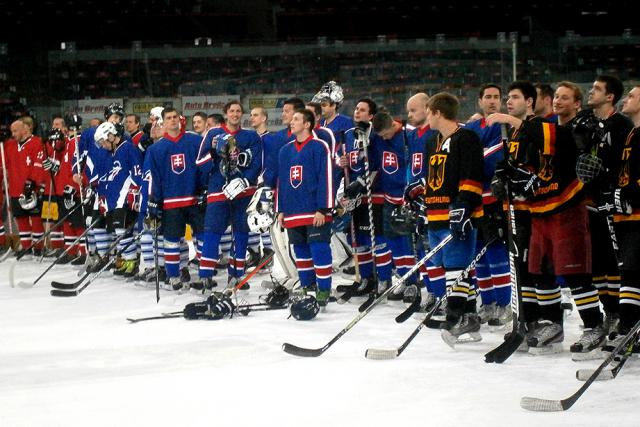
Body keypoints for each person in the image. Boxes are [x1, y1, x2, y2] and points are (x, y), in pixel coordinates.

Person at [488, 80, 604, 356]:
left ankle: (594, 326)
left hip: (564, 205)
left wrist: (510, 121)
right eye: (509, 98)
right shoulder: (518, 135)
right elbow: (521, 169)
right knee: (540, 271)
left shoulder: (547, 124)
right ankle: (551, 324)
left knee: (573, 271)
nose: (508, 102)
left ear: (529, 102)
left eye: (514, 97)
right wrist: (503, 180)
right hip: (537, 211)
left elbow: (549, 143)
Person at [418, 92, 484, 344]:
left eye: (428, 111)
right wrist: (419, 195)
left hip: (457, 213)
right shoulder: (431, 141)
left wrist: (463, 207)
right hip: (434, 214)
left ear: (437, 112)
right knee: (449, 267)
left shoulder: (466, 138)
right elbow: (431, 179)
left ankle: (455, 316)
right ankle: (470, 319)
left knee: (457, 267)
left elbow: (472, 175)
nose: (426, 116)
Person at [583, 75, 634, 334]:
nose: (591, 93)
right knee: (598, 264)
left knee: (615, 262)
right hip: (591, 203)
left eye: (597, 89)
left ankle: (618, 314)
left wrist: (613, 187)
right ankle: (609, 311)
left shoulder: (621, 124)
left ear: (610, 96)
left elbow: (623, 164)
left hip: (614, 204)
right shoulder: (589, 122)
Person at [196, 100, 262, 290]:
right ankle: (205, 275)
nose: (235, 114)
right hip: (218, 192)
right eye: (231, 111)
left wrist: (245, 181)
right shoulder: (213, 133)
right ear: (226, 114)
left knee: (241, 234)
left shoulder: (251, 136)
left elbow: (256, 163)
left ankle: (236, 275)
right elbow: (200, 161)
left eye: (238, 111)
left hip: (243, 192)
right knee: (211, 233)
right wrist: (213, 150)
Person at [144, 108, 207, 290]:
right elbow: (154, 177)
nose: (172, 121)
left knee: (203, 238)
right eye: (168, 118)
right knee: (171, 240)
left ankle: (205, 275)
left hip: (194, 200)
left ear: (180, 120)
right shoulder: (156, 149)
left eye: (175, 118)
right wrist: (154, 200)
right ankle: (173, 276)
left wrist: (206, 189)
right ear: (163, 122)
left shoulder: (195, 141)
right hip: (171, 203)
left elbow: (205, 166)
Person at [465, 84, 512, 326]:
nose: (493, 101)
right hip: (475, 199)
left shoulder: (505, 124)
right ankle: (489, 303)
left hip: (496, 200)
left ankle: (505, 305)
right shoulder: (472, 127)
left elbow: (495, 158)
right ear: (480, 101)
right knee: (479, 253)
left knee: (496, 251)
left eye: (496, 97)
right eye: (488, 97)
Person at [276, 109, 334, 306]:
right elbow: (281, 182)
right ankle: (308, 286)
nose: (291, 122)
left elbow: (326, 177)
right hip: (292, 211)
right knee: (301, 253)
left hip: (314, 210)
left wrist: (323, 209)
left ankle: (324, 289)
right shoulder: (285, 150)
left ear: (307, 124)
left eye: (296, 119)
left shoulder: (320, 146)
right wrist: (280, 210)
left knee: (319, 250)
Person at [603, 85, 640, 348]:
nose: (626, 99)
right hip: (628, 216)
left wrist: (630, 191)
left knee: (632, 272)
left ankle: (629, 325)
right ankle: (629, 326)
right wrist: (617, 192)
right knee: (629, 272)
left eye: (632, 95)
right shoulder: (631, 134)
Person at [94, 121, 142, 278]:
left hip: (125, 197)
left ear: (110, 135)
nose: (102, 145)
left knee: (123, 230)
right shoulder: (111, 153)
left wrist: (135, 191)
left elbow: (137, 171)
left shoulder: (128, 148)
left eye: (102, 141)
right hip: (114, 198)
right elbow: (106, 177)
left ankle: (132, 261)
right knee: (118, 230)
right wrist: (103, 197)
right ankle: (126, 260)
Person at [4, 116, 47, 257]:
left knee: (35, 219)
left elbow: (39, 163)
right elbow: (4, 162)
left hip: (31, 188)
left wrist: (33, 181)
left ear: (24, 129)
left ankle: (39, 247)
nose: (13, 134)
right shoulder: (10, 145)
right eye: (12, 131)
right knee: (21, 219)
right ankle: (27, 246)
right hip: (15, 189)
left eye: (15, 131)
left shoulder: (36, 142)